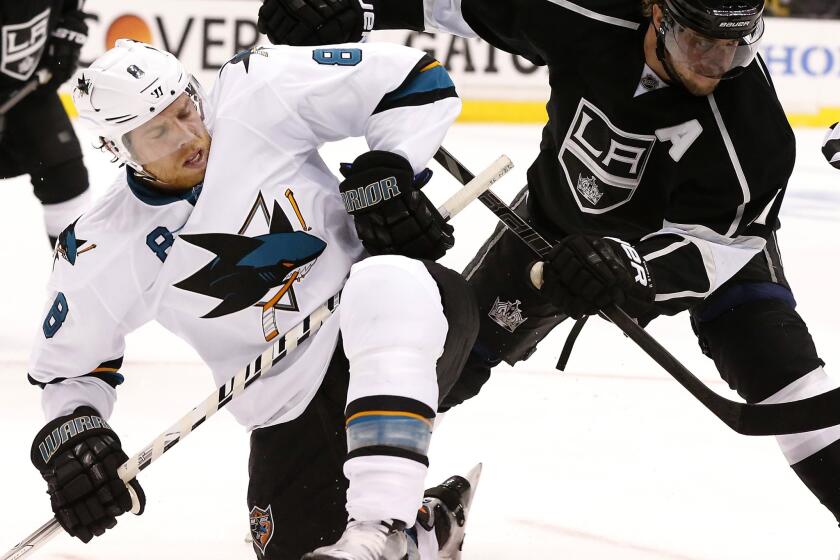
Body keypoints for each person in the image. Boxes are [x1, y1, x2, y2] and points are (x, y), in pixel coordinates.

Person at [257, 0, 840, 533]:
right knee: (434, 355)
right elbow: (460, 3)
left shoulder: (756, 134)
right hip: (552, 229)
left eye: (737, 46)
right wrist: (352, 10)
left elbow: (725, 246)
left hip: (702, 251)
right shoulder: (585, 14)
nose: (716, 63)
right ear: (656, 13)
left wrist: (633, 267)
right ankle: (325, 504)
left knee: (793, 389)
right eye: (700, 43)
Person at [28, 39, 482, 560]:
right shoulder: (101, 247)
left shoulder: (254, 92)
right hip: (287, 406)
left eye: (185, 110)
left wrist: (391, 166)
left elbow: (416, 80)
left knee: (384, 281)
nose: (189, 136)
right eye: (158, 132)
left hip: (401, 314)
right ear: (118, 150)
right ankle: (430, 528)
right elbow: (66, 373)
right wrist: (76, 441)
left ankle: (379, 525)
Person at [0, 0, 92, 245]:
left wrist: (69, 28)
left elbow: (73, 8)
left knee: (67, 182)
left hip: (27, 89)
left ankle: (76, 280)